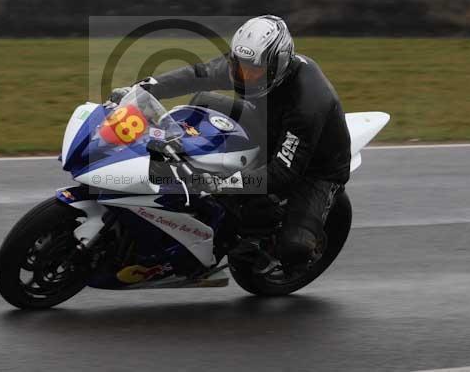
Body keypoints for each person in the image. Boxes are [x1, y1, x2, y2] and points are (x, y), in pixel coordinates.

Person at [109, 15, 351, 268]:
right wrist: (140, 90)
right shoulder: (248, 65)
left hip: (314, 168)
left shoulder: (308, 102)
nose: (244, 76)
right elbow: (194, 75)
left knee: (294, 249)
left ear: (276, 65)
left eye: (253, 71)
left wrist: (221, 184)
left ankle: (264, 236)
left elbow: (283, 172)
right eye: (239, 67)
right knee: (203, 100)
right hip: (265, 124)